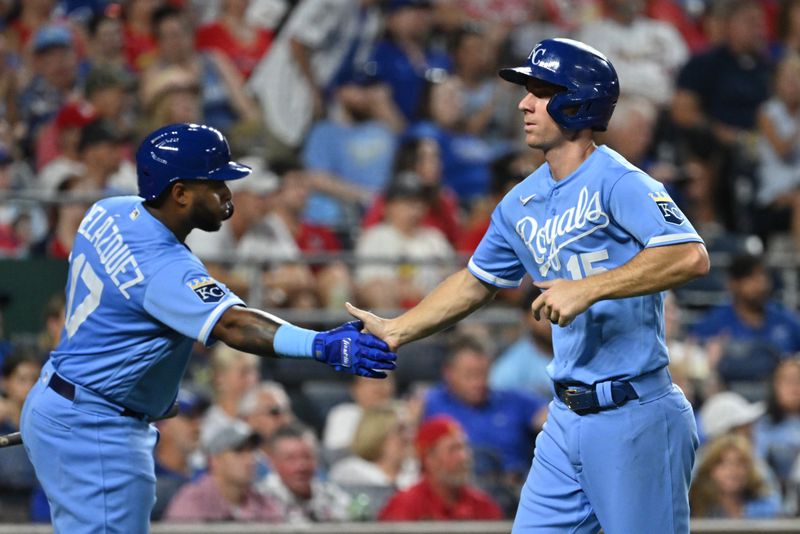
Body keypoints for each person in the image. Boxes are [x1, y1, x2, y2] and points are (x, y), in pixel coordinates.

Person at [347, 38, 710, 533]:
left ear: (576, 100)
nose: (523, 103)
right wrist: (397, 329)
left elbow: (689, 254)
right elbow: (476, 282)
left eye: (539, 91)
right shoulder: (521, 202)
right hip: (564, 418)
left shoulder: (620, 180)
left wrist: (589, 288)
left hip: (634, 413)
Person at [20, 122, 397, 534]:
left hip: (57, 399)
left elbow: (119, 315)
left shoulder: (108, 211)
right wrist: (321, 344)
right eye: (215, 184)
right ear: (179, 193)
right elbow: (235, 325)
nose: (227, 195)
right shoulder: (165, 268)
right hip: (98, 427)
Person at [378, 414, 502, 521]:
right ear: (429, 459)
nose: (464, 457)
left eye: (464, 448)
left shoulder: (483, 506)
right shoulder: (405, 506)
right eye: (453, 449)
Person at [163, 419, 282, 522]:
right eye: (239, 451)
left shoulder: (262, 500)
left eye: (252, 451)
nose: (250, 459)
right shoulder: (193, 500)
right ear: (214, 460)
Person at [257, 422, 353, 523]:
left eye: (307, 457)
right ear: (273, 462)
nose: (301, 467)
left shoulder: (329, 494)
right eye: (291, 459)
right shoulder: (261, 501)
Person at [689, 434, 781, 519]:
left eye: (739, 463)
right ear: (710, 469)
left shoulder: (766, 507)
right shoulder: (696, 507)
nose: (732, 470)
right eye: (723, 463)